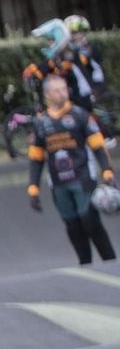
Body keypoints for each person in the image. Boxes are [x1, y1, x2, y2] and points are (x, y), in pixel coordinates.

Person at [26, 74, 116, 266]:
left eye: (64, 89)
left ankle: (111, 262)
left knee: (90, 222)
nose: (62, 93)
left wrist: (107, 172)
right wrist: (33, 188)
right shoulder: (41, 122)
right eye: (57, 90)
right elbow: (36, 159)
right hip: (59, 183)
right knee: (73, 227)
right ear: (47, 95)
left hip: (82, 178)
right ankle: (86, 265)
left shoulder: (79, 115)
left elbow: (99, 148)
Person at [24, 18, 98, 114]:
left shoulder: (69, 53)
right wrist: (31, 71)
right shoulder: (59, 55)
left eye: (50, 40)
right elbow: (46, 65)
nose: (48, 43)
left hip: (81, 95)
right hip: (73, 95)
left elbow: (65, 67)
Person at [66, 15, 106, 95]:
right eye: (70, 33)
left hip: (93, 86)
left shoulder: (90, 48)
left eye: (75, 32)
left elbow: (97, 71)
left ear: (83, 32)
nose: (72, 36)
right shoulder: (67, 50)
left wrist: (96, 90)